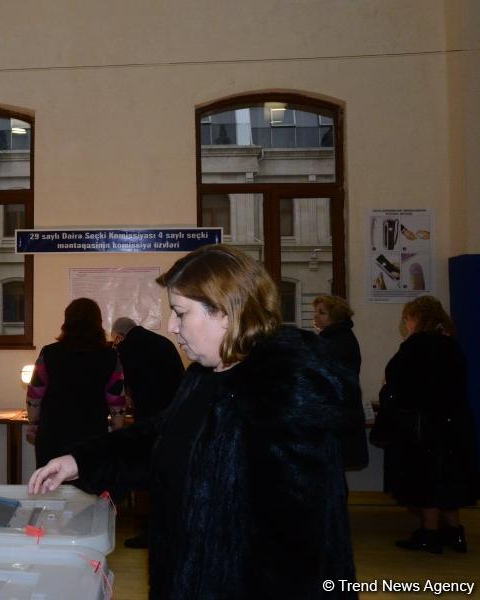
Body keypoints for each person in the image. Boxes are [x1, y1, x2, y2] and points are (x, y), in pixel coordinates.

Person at [28, 244, 357, 598]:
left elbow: (301, 551)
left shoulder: (285, 392)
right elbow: (161, 438)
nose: (172, 326)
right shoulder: (204, 376)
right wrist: (79, 461)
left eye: (180, 313)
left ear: (226, 313)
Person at [375, 295, 478, 554]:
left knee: (427, 479)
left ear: (417, 318)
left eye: (407, 318)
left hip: (426, 423)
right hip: (455, 421)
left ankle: (430, 534)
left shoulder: (416, 345)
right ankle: (455, 533)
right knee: (448, 479)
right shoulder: (451, 344)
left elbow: (394, 377)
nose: (406, 323)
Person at [110, 316, 185, 549]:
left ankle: (150, 532)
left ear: (119, 336)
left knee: (148, 475)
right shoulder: (163, 343)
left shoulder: (126, 349)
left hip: (150, 420)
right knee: (168, 477)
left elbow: (123, 389)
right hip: (175, 418)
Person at [25, 298, 126, 469]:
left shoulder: (49, 353)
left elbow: (34, 394)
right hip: (92, 436)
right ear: (98, 323)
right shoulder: (110, 356)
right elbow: (117, 401)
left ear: (67, 322)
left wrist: (33, 425)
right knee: (89, 483)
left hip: (52, 435)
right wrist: (118, 433)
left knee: (51, 482)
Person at [312, 295, 369, 471]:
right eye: (316, 311)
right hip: (339, 415)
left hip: (336, 416)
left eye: (322, 312)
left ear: (335, 316)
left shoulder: (336, 342)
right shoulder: (337, 338)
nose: (315, 316)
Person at [111, 317, 185, 422]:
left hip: (148, 415)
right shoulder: (164, 342)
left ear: (119, 337)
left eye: (115, 341)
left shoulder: (125, 347)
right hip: (175, 411)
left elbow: (120, 387)